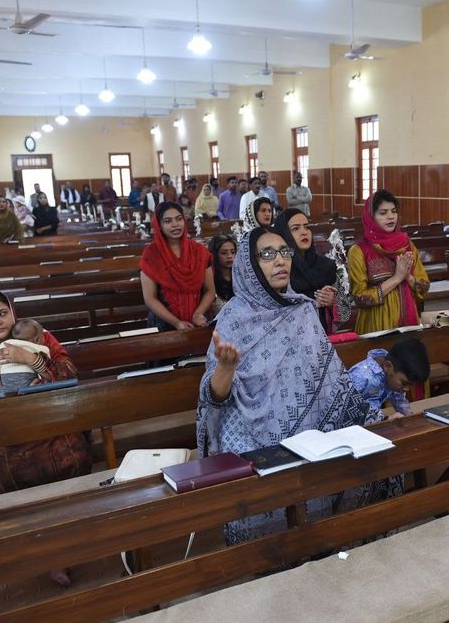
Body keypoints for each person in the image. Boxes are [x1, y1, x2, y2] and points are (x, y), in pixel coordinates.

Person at [197, 227, 389, 545]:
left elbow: (333, 381)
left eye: (284, 252)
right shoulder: (234, 317)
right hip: (248, 431)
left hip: (312, 427)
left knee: (365, 444)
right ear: (249, 264)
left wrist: (369, 414)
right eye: (267, 254)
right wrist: (225, 369)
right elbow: (213, 399)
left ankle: (323, 538)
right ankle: (269, 551)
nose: (280, 261)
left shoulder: (302, 310)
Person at [0, 290, 90, 586]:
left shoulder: (39, 335)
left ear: (12, 312)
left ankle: (64, 544)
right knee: (5, 473)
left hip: (51, 421)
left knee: (72, 457)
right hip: (8, 433)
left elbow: (70, 374)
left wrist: (32, 360)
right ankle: (39, 549)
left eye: (2, 313)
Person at [347, 190, 430, 335]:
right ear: (371, 217)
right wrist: (397, 278)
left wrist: (408, 277)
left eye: (393, 211)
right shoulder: (359, 251)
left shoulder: (407, 246)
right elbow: (361, 298)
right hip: (377, 326)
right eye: (383, 213)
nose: (391, 216)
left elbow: (423, 287)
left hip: (410, 323)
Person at [140, 201, 215, 331]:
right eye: (168, 221)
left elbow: (210, 290)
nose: (175, 225)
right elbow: (150, 298)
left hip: (197, 321)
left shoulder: (200, 251)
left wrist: (198, 313)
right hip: (164, 324)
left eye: (179, 219)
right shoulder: (151, 254)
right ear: (159, 225)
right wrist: (176, 322)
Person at [274, 208, 344, 333]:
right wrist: (313, 304)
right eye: (296, 228)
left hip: (321, 334)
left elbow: (345, 309)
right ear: (283, 234)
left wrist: (331, 301)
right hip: (289, 334)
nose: (304, 232)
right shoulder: (278, 267)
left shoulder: (326, 265)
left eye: (306, 227)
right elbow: (276, 309)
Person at [348, 337, 430, 420]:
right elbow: (347, 411)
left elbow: (399, 400)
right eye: (404, 383)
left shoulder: (392, 376)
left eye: (410, 385)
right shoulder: (361, 375)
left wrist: (409, 418)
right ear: (388, 366)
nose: (407, 389)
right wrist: (385, 419)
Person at [0, 318, 50, 392]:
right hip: (28, 380)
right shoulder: (39, 347)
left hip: (6, 381)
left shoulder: (5, 344)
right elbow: (50, 367)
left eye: (3, 313)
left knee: (5, 392)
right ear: (37, 339)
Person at [208, 233, 237, 313]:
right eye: (224, 253)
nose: (229, 256)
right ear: (215, 255)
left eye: (232, 252)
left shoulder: (240, 277)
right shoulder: (210, 279)